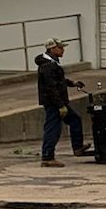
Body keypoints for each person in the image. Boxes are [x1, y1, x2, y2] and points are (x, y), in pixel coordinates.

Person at [35, 38, 91, 167]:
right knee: (53, 129)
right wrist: (60, 105)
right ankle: (47, 157)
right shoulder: (48, 66)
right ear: (52, 49)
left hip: (58, 102)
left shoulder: (52, 63)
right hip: (54, 103)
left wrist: (72, 83)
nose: (63, 50)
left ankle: (78, 148)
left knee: (75, 119)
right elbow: (51, 87)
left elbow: (58, 80)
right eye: (60, 48)